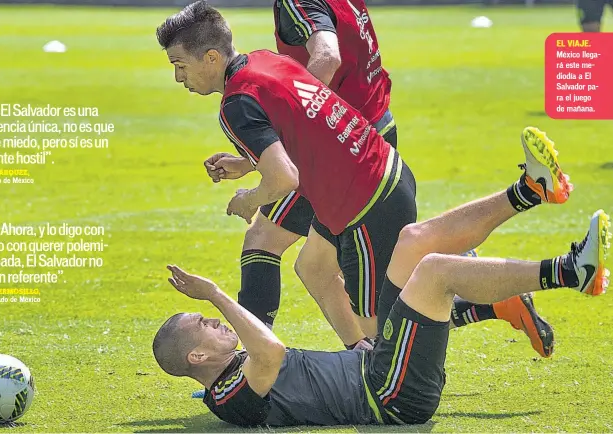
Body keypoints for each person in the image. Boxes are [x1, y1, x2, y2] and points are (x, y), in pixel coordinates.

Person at [155, 1, 555, 358]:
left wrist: (249, 197)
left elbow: (286, 174)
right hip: (374, 154)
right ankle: (524, 197)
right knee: (316, 266)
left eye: (179, 65)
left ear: (210, 58)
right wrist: (255, 158)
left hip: (362, 193)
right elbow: (298, 117)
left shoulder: (238, 100)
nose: (178, 79)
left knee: (392, 334)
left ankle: (506, 288)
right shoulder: (262, 60)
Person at [153, 134, 610, 426]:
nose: (216, 323)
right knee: (434, 271)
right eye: (205, 325)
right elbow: (270, 352)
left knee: (414, 241)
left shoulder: (229, 378)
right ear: (197, 355)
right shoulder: (228, 395)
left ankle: (529, 191)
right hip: (390, 394)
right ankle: (572, 271)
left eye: (208, 318)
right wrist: (212, 294)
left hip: (379, 364)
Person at [205, 0, 397, 350]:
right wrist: (254, 159)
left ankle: (255, 367)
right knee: (317, 268)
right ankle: (363, 359)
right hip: (371, 129)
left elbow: (327, 57)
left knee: (264, 240)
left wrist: (257, 176)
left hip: (343, 150)